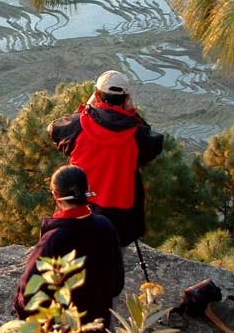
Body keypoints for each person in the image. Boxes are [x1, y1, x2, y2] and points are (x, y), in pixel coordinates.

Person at [13, 165, 125, 333]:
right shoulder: (105, 226)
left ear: (56, 196)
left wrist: (19, 306)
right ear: (86, 190)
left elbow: (28, 296)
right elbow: (116, 285)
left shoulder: (55, 239)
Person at [47, 70, 164, 247]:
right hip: (120, 216)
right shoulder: (137, 134)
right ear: (126, 99)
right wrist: (133, 114)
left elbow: (54, 130)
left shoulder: (78, 125)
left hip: (78, 205)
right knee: (112, 256)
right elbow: (153, 145)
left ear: (97, 96)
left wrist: (86, 109)